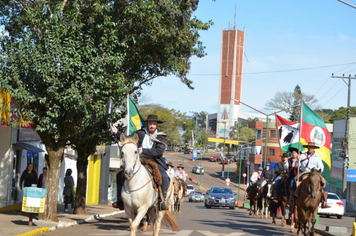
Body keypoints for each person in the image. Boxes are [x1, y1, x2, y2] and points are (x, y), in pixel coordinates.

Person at [111, 114, 170, 211]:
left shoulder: (161, 136)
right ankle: (120, 200)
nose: (152, 126)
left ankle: (161, 201)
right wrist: (117, 132)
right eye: (150, 123)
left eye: (154, 124)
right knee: (119, 175)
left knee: (164, 177)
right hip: (140, 160)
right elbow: (127, 139)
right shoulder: (140, 133)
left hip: (155, 160)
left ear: (157, 125)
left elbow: (159, 152)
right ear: (147, 124)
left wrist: (144, 150)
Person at [289, 142, 331, 208]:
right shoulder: (302, 156)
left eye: (311, 147)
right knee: (292, 181)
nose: (310, 149)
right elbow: (297, 165)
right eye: (309, 147)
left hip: (314, 173)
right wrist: (298, 161)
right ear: (307, 148)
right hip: (304, 172)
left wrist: (316, 169)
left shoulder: (317, 157)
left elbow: (321, 167)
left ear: (314, 148)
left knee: (326, 183)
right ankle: (291, 199)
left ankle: (324, 201)